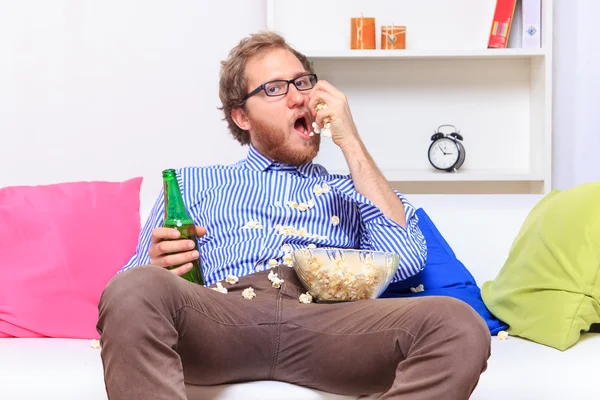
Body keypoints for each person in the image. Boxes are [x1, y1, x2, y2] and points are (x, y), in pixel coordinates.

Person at [96, 31, 491, 400]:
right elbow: (120, 297)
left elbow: (405, 263)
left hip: (332, 324)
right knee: (134, 288)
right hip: (221, 317)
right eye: (274, 89)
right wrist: (156, 264)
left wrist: (350, 141)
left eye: (303, 83)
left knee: (458, 323)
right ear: (242, 117)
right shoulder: (190, 183)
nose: (299, 98)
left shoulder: (355, 187)